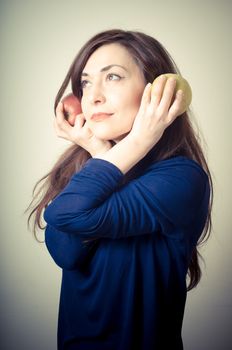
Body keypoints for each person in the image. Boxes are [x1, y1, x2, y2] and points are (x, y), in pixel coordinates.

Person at [27, 29, 213, 350]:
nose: (93, 96)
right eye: (85, 82)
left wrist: (141, 139)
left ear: (157, 92)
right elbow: (67, 253)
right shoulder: (84, 169)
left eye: (112, 77)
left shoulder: (182, 178)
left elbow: (68, 213)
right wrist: (100, 152)